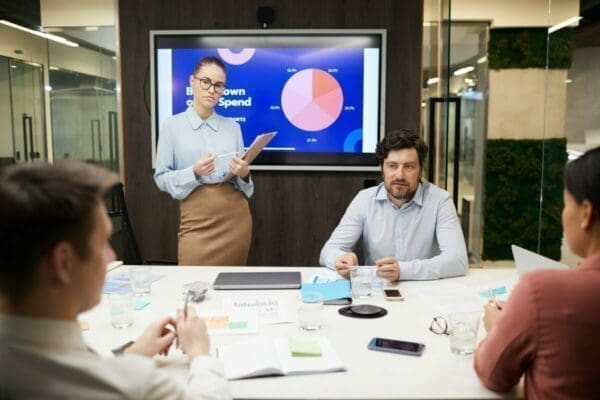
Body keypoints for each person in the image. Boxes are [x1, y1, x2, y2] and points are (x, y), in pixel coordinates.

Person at [0, 161, 231, 400]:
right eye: (103, 243)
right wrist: (200, 355)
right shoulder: (136, 387)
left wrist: (132, 353)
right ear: (64, 263)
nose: (111, 256)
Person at [474, 147, 600, 399]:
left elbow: (493, 374)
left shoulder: (544, 291)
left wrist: (501, 326)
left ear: (585, 213)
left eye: (565, 204)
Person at [319, 129, 468, 281]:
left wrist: (402, 270)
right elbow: (328, 251)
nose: (400, 175)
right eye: (392, 166)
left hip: (424, 291)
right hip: (377, 292)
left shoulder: (440, 201)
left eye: (409, 166)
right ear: (382, 169)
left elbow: (458, 260)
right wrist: (341, 258)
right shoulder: (364, 200)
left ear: (420, 171)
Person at [154, 56, 253, 266]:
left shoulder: (233, 127)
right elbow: (161, 178)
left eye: (218, 85)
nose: (211, 90)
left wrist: (244, 173)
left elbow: (243, 183)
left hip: (235, 220)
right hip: (196, 220)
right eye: (205, 82)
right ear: (192, 81)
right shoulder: (172, 126)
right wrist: (194, 172)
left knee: (230, 288)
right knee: (193, 288)